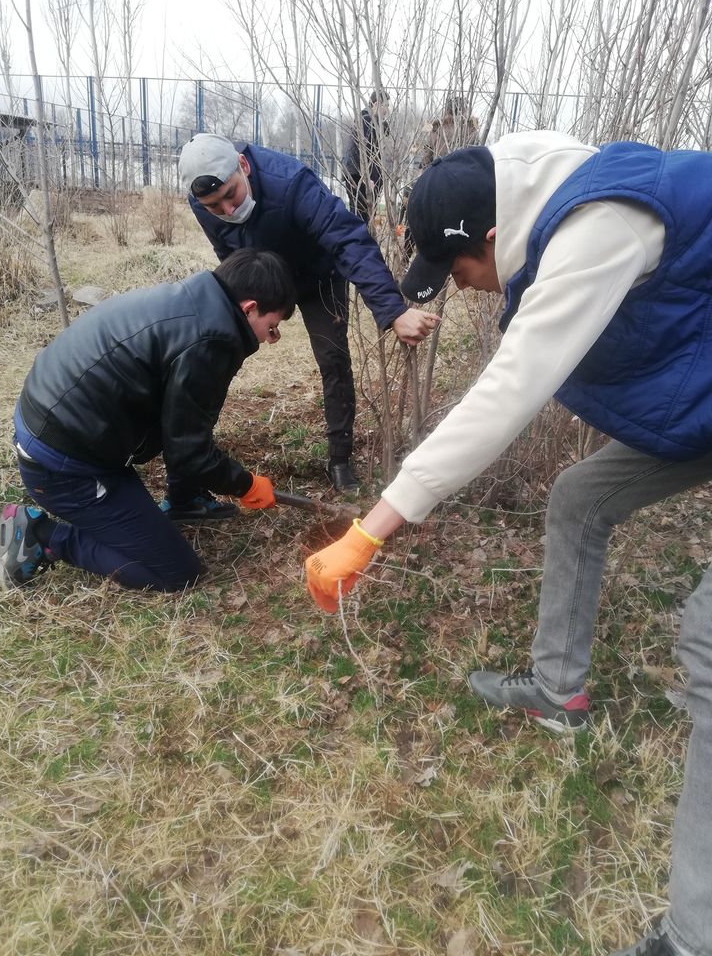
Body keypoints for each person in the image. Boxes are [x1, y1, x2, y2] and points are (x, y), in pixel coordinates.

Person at [304, 131, 712, 956]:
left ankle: (694, 934)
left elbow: (510, 389)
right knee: (580, 498)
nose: (466, 289)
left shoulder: (599, 225)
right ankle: (559, 692)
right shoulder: (531, 183)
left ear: (489, 240)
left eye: (458, 274)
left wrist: (371, 529)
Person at [0, 249, 296, 593]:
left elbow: (181, 423)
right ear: (249, 308)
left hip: (67, 427)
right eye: (271, 327)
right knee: (175, 572)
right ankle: (43, 537)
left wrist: (189, 486)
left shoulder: (194, 302)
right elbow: (189, 452)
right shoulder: (210, 340)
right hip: (61, 463)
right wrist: (245, 485)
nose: (267, 339)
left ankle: (186, 500)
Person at [178, 132, 437, 493]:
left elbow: (347, 239)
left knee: (332, 358)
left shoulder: (291, 184)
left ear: (243, 165)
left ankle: (340, 459)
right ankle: (195, 459)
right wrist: (249, 310)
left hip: (318, 278)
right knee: (219, 347)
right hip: (262, 279)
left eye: (230, 196)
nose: (227, 211)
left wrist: (392, 310)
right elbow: (229, 254)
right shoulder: (202, 201)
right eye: (213, 206)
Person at [343, 89, 389, 224]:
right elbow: (364, 150)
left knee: (363, 216)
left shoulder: (370, 120)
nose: (386, 110)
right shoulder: (366, 120)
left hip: (359, 173)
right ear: (376, 104)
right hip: (358, 175)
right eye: (385, 106)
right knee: (361, 216)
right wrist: (367, 176)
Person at [421, 94, 479, 167]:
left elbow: (427, 158)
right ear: (464, 110)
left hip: (441, 172)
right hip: (464, 173)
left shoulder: (436, 128)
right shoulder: (471, 129)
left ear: (447, 110)